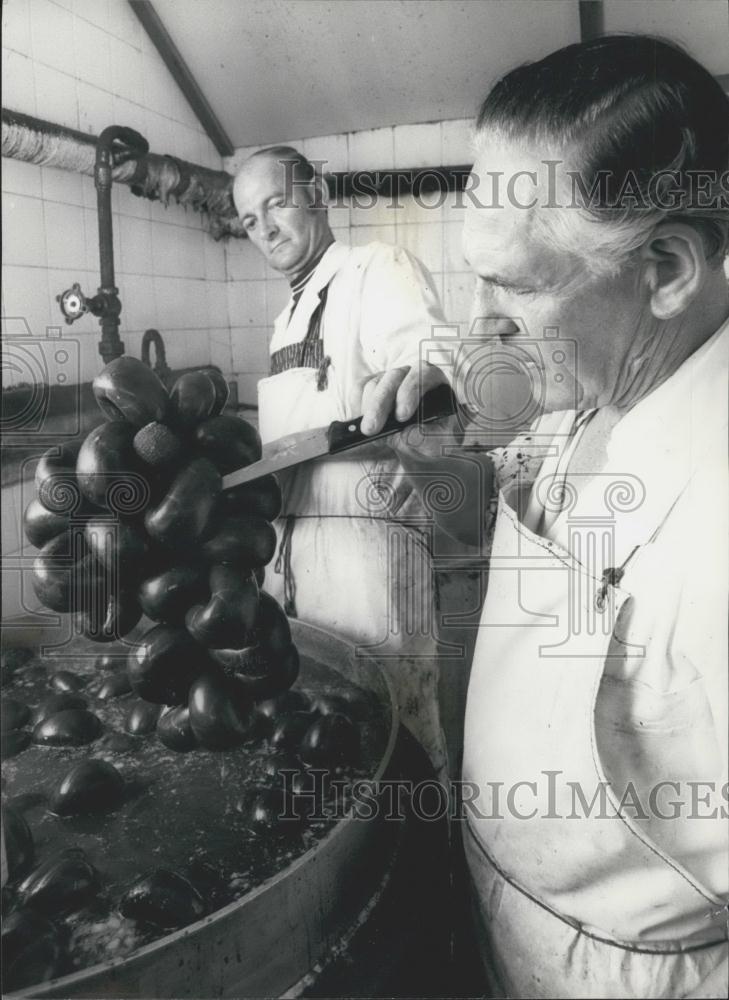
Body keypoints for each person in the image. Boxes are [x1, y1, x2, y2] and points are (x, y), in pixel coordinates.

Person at [362, 35, 729, 999]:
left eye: (516, 285)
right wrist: (445, 487)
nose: (480, 323)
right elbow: (550, 615)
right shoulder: (593, 395)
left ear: (666, 267)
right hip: (504, 926)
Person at [232, 148, 480, 778]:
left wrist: (430, 376)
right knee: (331, 749)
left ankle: (432, 874)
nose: (265, 229)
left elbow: (431, 359)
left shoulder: (376, 268)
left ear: (315, 193)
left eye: (276, 204)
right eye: (249, 221)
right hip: (294, 567)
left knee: (402, 741)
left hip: (371, 562)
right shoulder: (287, 317)